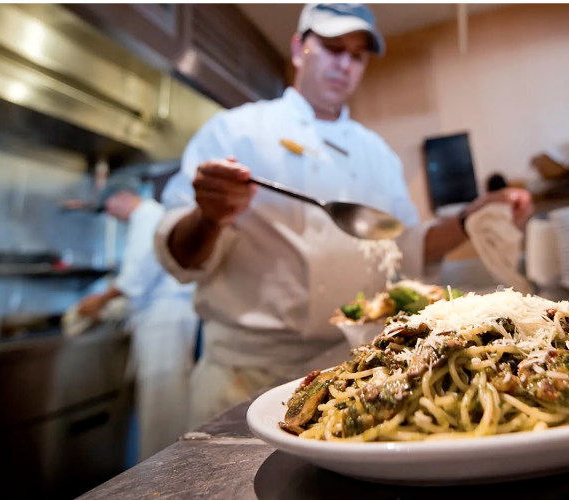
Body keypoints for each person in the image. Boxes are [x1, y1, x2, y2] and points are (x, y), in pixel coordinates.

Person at [154, 3, 534, 427]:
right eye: (334, 48)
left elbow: (407, 245)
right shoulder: (236, 131)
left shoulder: (377, 154)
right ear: (300, 49)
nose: (345, 65)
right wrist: (209, 217)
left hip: (348, 369)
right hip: (243, 376)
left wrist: (470, 216)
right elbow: (180, 259)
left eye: (357, 56)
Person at [77, 177, 198, 461]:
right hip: (164, 316)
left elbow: (140, 271)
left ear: (120, 196)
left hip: (165, 319)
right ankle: (163, 466)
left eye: (108, 207)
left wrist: (101, 299)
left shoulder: (148, 215)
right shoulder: (151, 215)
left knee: (163, 401)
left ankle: (164, 472)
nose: (110, 215)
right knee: (163, 399)